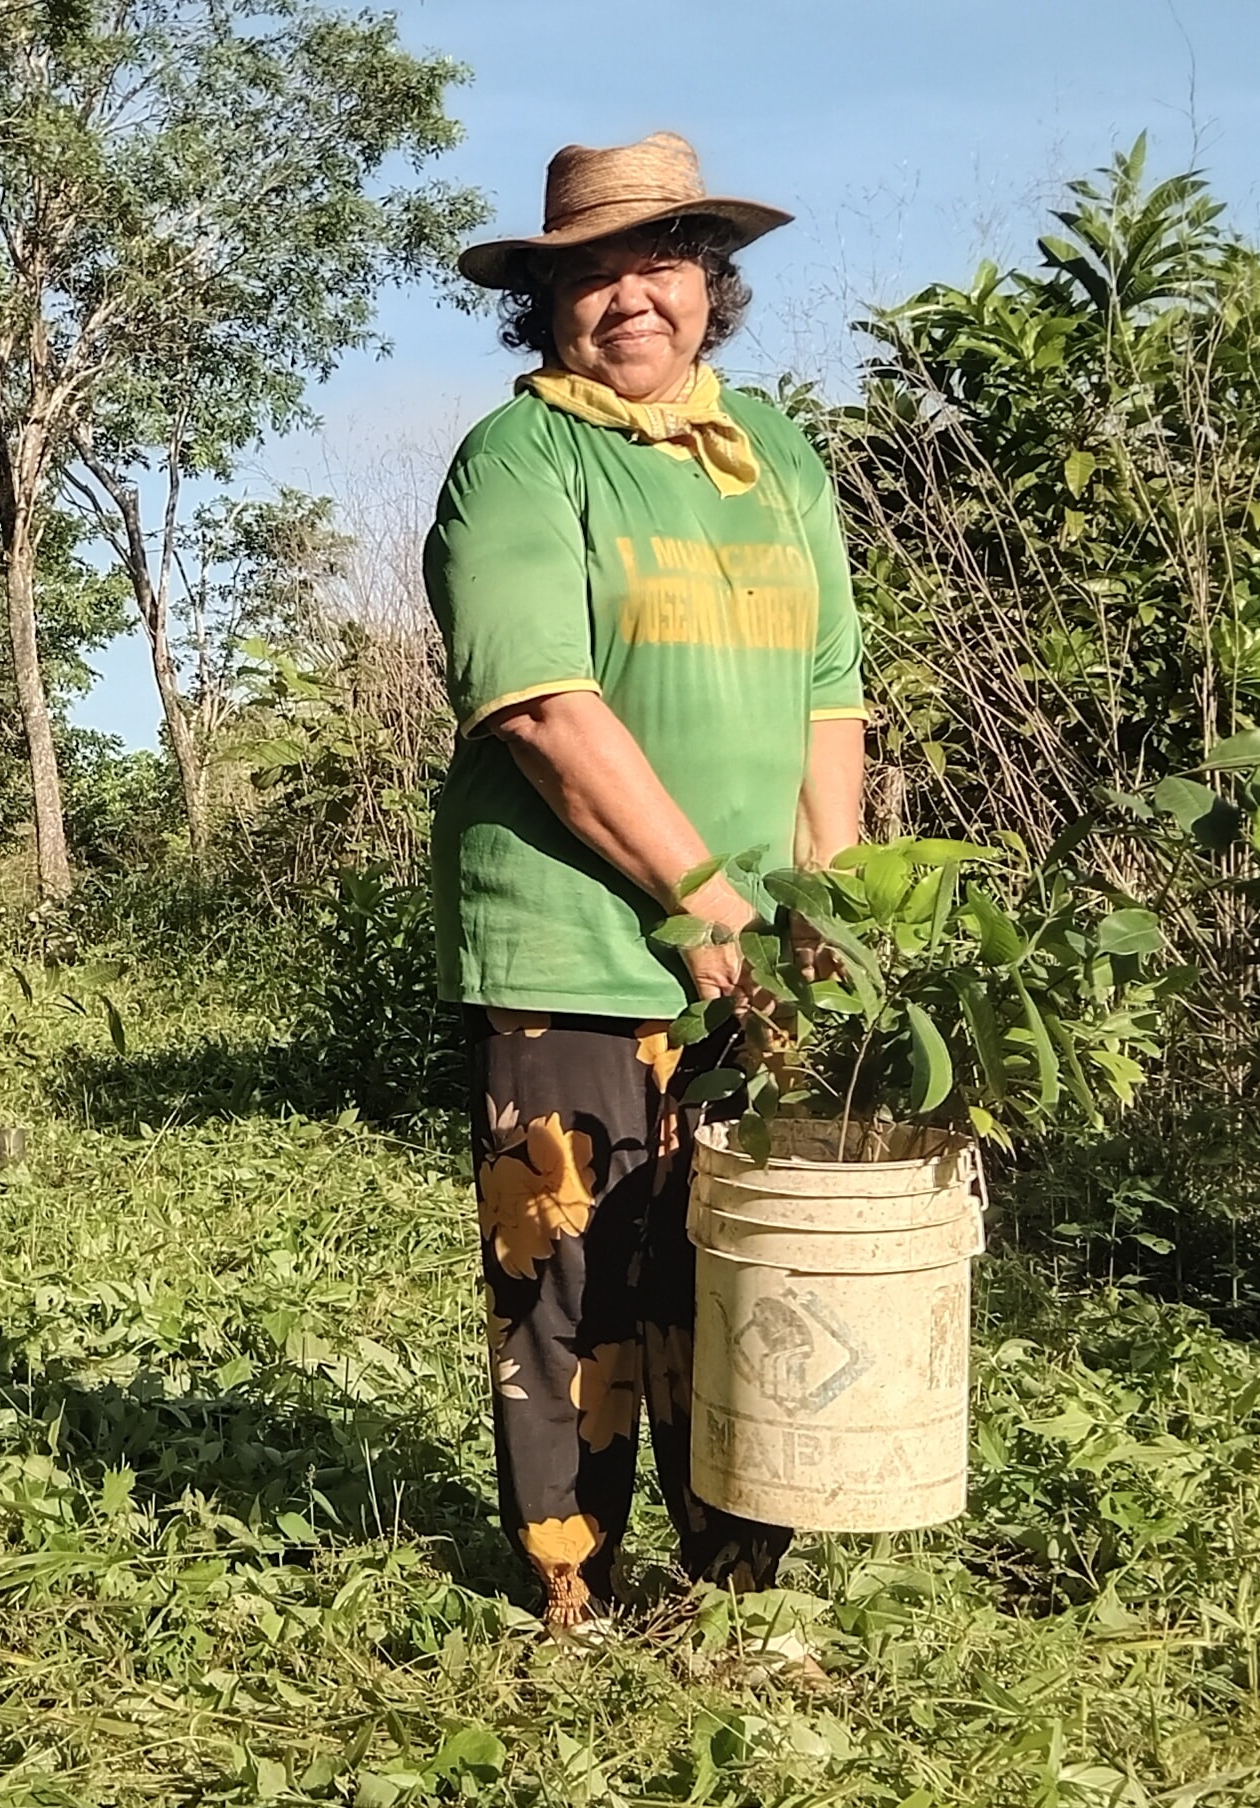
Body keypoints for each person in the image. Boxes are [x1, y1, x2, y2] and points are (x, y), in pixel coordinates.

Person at [424, 132, 867, 1634]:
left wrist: (826, 902)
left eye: (662, 261)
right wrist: (707, 902)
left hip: (753, 953)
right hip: (574, 945)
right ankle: (576, 1599)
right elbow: (544, 707)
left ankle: (732, 1595)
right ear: (545, 302)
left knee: (739, 1277)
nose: (631, 294)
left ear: (710, 286)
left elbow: (828, 697)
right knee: (575, 1279)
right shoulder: (523, 458)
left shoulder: (777, 458)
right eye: (593, 269)